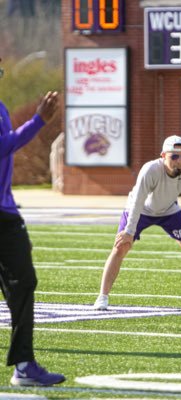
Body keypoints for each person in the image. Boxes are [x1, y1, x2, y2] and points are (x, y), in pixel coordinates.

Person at [94, 135, 181, 311]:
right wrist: (129, 231)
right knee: (121, 246)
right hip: (141, 210)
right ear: (163, 156)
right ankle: (102, 297)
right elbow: (137, 201)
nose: (179, 161)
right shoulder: (150, 170)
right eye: (174, 156)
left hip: (168, 210)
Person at [0, 58, 65, 386]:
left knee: (23, 284)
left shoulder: (0, 107)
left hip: (5, 214)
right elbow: (2, 147)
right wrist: (39, 120)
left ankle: (24, 365)